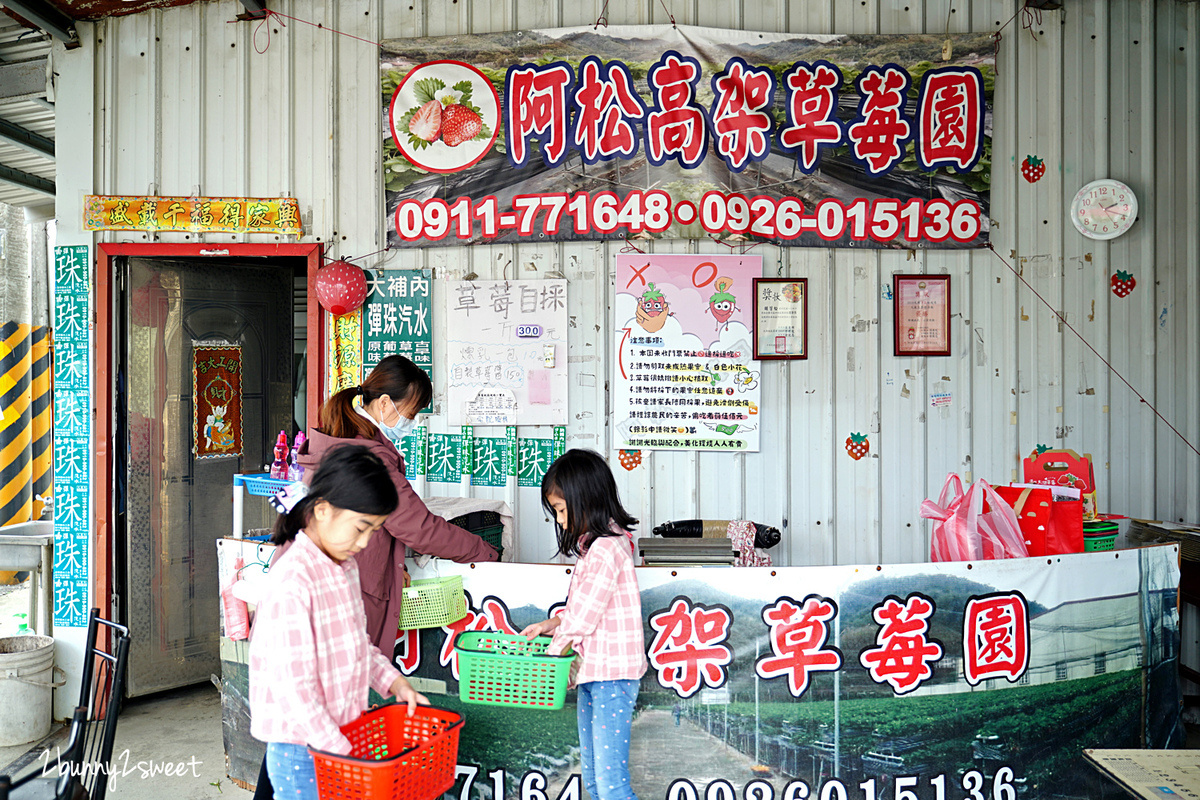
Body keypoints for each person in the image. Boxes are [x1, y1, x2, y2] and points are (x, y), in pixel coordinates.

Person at [249, 445, 428, 800]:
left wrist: (395, 683)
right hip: (304, 747)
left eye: (373, 531)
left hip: (338, 738)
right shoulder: (294, 581)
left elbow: (358, 645)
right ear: (322, 510)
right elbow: (294, 689)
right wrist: (340, 750)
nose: (363, 543)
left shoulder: (343, 568)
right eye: (360, 528)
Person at [296, 354, 499, 651]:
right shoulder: (370, 458)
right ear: (384, 403)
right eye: (411, 413)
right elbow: (419, 529)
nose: (413, 423)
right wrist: (485, 552)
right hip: (352, 590)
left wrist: (393, 562)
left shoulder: (333, 440)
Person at [521, 449, 646, 800]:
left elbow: (584, 617)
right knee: (594, 778)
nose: (560, 521)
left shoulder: (607, 549)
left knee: (611, 785)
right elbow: (586, 607)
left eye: (561, 510)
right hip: (595, 673)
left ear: (585, 499)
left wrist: (551, 656)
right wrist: (551, 625)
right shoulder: (597, 546)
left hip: (611, 677)